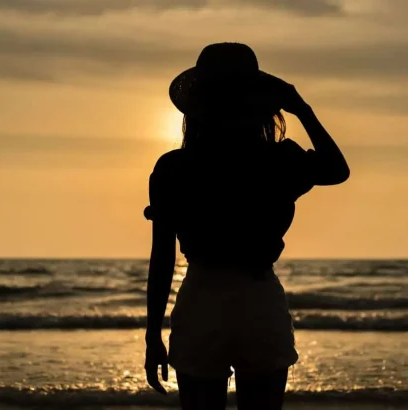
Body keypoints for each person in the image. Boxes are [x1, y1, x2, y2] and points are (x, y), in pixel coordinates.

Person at [144, 42, 350, 410]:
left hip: (201, 300)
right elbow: (337, 170)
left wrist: (152, 335)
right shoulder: (279, 160)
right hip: (258, 299)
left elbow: (162, 258)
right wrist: (301, 108)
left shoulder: (175, 167)